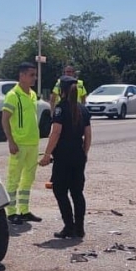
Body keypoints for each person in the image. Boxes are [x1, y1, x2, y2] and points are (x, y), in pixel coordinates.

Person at [40, 76, 92, 239]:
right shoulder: (82, 109)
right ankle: (80, 228)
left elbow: (55, 132)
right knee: (77, 192)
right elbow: (88, 135)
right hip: (78, 154)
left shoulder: (60, 108)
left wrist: (47, 154)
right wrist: (85, 152)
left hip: (63, 156)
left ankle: (69, 225)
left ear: (62, 90)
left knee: (60, 190)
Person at [2, 63, 43, 225]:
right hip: (19, 144)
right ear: (22, 76)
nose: (35, 78)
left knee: (28, 178)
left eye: (35, 74)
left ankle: (24, 210)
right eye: (31, 75)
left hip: (33, 143)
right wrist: (11, 141)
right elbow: (4, 119)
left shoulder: (32, 94)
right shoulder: (13, 95)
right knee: (14, 179)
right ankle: (11, 213)